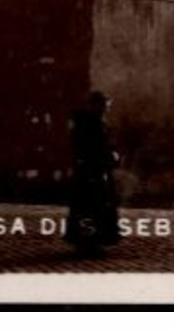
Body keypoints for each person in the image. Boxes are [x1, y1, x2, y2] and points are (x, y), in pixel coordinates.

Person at [64, 91, 121, 255]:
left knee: (89, 207)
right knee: (92, 206)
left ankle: (89, 240)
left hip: (91, 170)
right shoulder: (91, 124)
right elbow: (94, 147)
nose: (106, 109)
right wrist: (109, 156)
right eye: (104, 106)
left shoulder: (88, 123)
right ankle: (89, 242)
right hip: (92, 171)